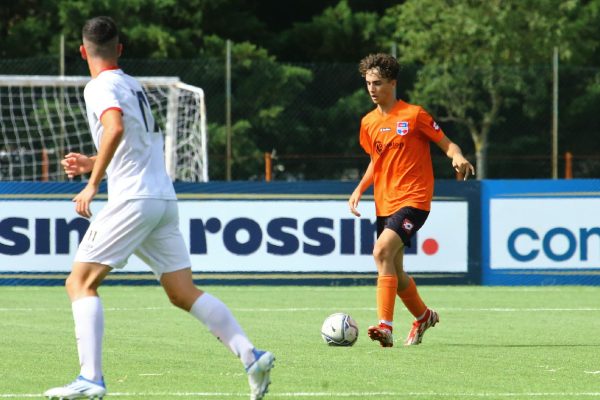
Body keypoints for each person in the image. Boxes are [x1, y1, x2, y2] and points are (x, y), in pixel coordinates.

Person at [44, 16, 274, 400]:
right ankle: (252, 356)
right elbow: (130, 138)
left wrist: (92, 183)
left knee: (79, 283)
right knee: (182, 291)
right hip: (161, 199)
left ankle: (91, 378)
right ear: (120, 49)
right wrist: (91, 161)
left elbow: (115, 128)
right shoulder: (133, 84)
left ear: (83, 52)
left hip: (132, 198)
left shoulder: (99, 86)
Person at [348, 53, 475, 348]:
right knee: (395, 268)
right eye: (368, 83)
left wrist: (457, 156)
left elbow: (447, 143)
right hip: (385, 202)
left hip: (414, 199)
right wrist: (359, 188)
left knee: (380, 252)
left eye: (378, 83)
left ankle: (385, 326)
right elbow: (375, 161)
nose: (371, 89)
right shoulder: (367, 122)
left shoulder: (414, 115)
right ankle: (423, 316)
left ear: (392, 83)